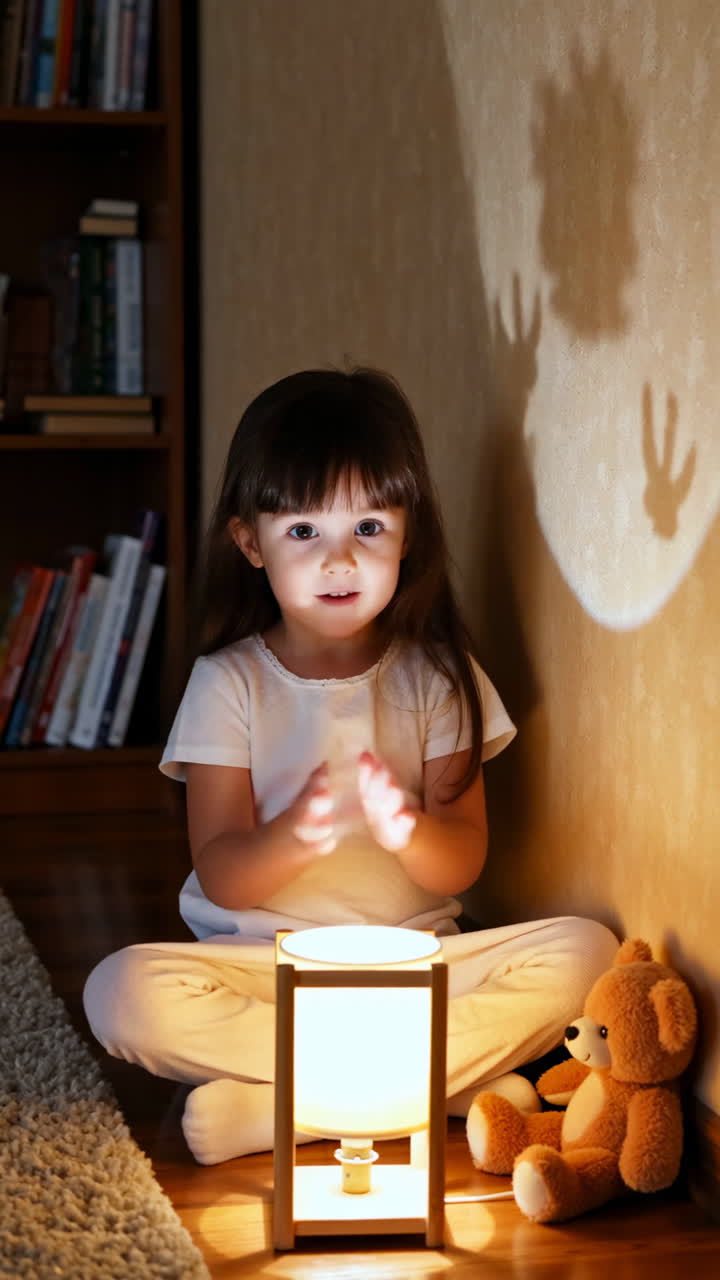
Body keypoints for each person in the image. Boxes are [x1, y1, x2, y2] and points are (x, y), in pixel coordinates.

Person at [84, 366, 616, 1165]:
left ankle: (290, 1115)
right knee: (118, 993)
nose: (339, 561)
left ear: (409, 534)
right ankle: (444, 1091)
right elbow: (224, 874)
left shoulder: (441, 677)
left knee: (588, 952)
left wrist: (406, 827)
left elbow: (463, 861)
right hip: (264, 973)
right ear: (249, 542)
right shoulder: (229, 683)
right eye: (304, 532)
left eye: (368, 527)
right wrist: (296, 836)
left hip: (416, 969)